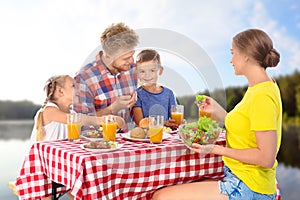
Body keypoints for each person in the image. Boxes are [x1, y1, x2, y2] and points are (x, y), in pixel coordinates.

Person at [152, 28, 282, 200]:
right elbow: (245, 125)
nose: (230, 60)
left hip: (249, 187)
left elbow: (266, 158)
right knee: (190, 181)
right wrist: (217, 110)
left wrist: (216, 149)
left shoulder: (262, 96)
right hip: (240, 178)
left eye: (233, 53)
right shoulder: (261, 87)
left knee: (160, 196)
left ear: (245, 56)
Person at [73, 22, 139, 125]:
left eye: (132, 55)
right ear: (108, 56)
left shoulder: (133, 70)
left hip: (129, 138)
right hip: (99, 140)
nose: (131, 61)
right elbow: (78, 122)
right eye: (126, 58)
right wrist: (113, 108)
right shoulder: (84, 78)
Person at [132, 49, 177, 125]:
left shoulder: (169, 93)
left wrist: (178, 122)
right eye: (142, 71)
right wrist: (163, 124)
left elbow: (175, 117)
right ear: (137, 72)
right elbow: (140, 122)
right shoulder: (137, 95)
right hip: (145, 136)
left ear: (160, 70)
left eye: (152, 70)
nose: (147, 75)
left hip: (165, 135)